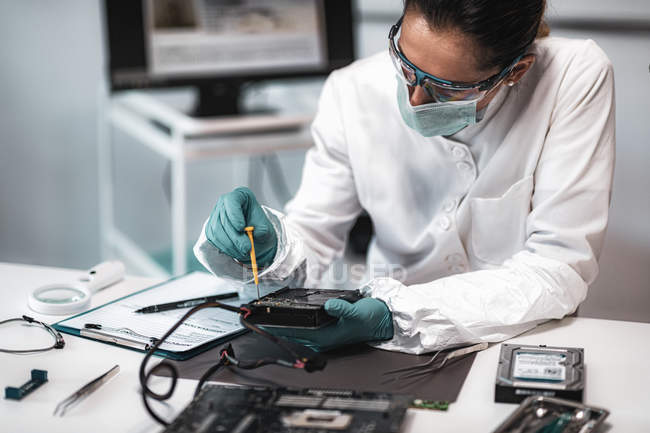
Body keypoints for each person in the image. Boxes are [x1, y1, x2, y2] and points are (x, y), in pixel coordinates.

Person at [194, 0, 615, 354]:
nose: (413, 98)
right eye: (405, 63)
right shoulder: (351, 90)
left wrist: (396, 316)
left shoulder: (572, 76)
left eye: (446, 88)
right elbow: (315, 236)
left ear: (515, 72)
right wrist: (272, 248)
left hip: (520, 336)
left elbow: (558, 268)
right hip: (384, 346)